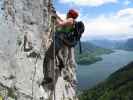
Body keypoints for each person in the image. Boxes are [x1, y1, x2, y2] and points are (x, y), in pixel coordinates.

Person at [42, 9, 79, 85]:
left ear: (70, 14)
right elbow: (63, 24)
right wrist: (57, 17)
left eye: (68, 13)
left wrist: (55, 20)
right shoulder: (73, 22)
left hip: (59, 39)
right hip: (62, 41)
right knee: (57, 52)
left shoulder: (70, 19)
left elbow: (61, 24)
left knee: (49, 56)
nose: (66, 14)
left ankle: (49, 77)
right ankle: (62, 64)